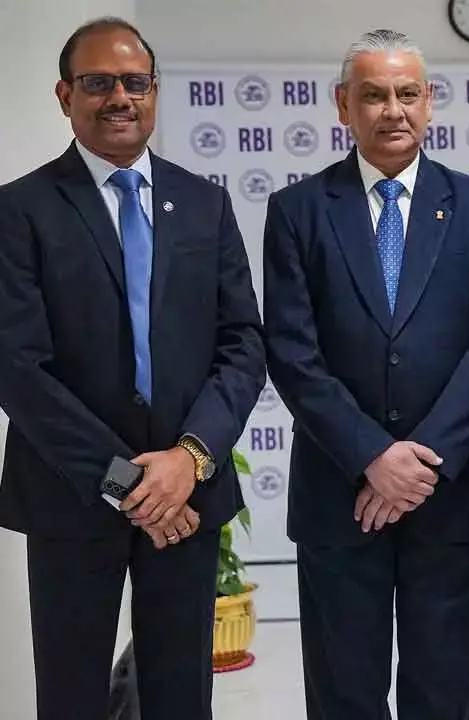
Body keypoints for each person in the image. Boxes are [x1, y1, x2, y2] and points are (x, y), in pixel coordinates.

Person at [0, 17, 265, 720]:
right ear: (65, 95)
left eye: (134, 82)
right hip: (72, 497)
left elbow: (242, 343)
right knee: (72, 696)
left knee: (181, 697)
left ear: (153, 91)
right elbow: (18, 368)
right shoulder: (18, 210)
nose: (119, 97)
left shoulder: (205, 204)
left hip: (187, 496)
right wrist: (131, 485)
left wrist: (189, 460)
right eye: (97, 83)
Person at [262, 29, 469, 719]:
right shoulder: (298, 210)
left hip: (448, 496)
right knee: (344, 693)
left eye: (407, 94)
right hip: (338, 496)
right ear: (343, 106)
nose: (393, 110)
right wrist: (373, 456)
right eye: (374, 95)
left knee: (442, 693)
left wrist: (420, 462)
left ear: (429, 102)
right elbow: (292, 351)